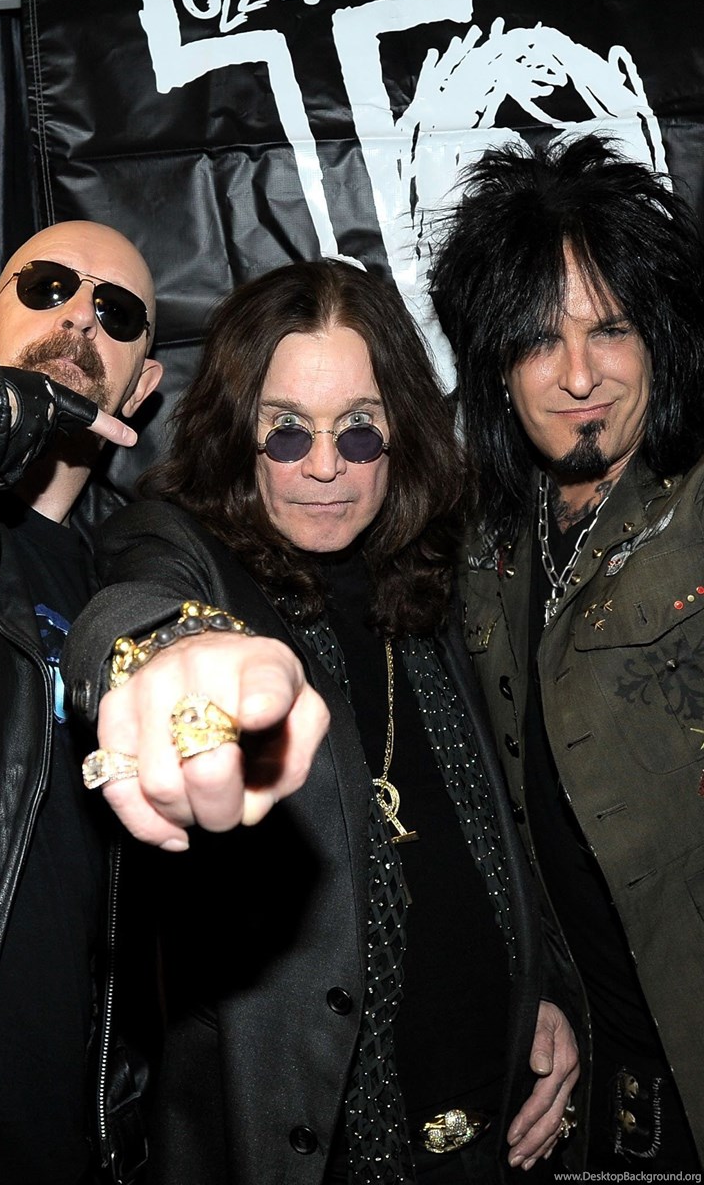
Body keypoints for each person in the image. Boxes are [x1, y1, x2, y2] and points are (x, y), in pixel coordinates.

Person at [63, 257, 580, 1185]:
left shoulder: (428, 578)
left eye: (360, 431)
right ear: (238, 433)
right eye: (288, 431)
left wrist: (540, 986)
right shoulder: (182, 549)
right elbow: (135, 605)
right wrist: (166, 656)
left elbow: (504, 826)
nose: (326, 465)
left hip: (499, 1131)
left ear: (401, 433)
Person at [0, 221, 323, 1185]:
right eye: (47, 286)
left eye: (116, 313)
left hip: (63, 1139)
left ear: (143, 385)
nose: (79, 317)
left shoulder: (120, 573)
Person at [429, 134, 704, 1172]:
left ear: (660, 338)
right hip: (607, 1094)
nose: (580, 374)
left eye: (610, 328)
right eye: (540, 340)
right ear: (496, 369)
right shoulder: (490, 541)